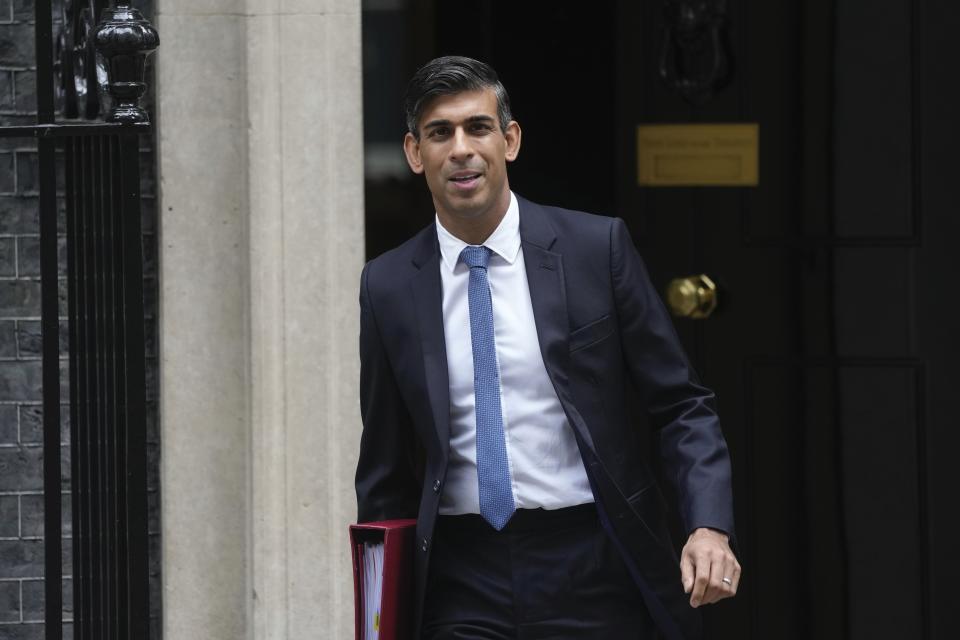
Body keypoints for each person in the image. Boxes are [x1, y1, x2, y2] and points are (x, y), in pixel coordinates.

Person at [356, 55, 740, 640]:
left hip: (589, 561)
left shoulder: (595, 249)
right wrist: (378, 610)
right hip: (461, 576)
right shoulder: (386, 286)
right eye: (440, 133)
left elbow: (680, 404)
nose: (461, 148)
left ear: (509, 140)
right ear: (414, 153)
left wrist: (708, 525)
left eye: (477, 127)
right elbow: (383, 469)